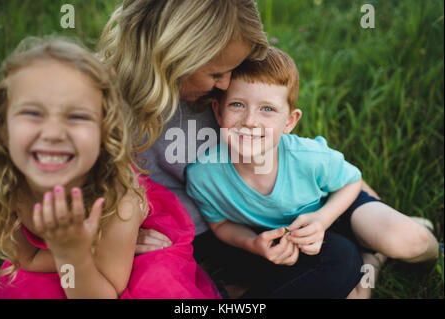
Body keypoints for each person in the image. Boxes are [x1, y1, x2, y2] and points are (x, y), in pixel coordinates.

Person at [99, 0, 366, 298]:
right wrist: (116, 234)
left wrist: (368, 202)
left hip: (240, 225)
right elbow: (89, 183)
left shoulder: (222, 97)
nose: (226, 84)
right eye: (216, 74)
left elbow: (301, 156)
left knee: (339, 257)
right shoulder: (104, 102)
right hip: (172, 237)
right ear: (175, 54)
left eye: (231, 71)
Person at [185, 46, 440, 298]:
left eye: (268, 109)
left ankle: (432, 255)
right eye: (238, 104)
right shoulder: (203, 176)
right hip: (299, 240)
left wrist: (322, 218)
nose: (250, 120)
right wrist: (252, 244)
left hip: (337, 209)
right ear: (218, 111)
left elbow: (351, 182)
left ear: (290, 121)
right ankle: (373, 257)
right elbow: (220, 224)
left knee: (409, 240)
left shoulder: (308, 157)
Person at [0, 37, 220, 299]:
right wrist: (72, 253)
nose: (53, 133)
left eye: (77, 116)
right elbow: (29, 258)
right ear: (3, 128)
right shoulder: (6, 182)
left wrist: (75, 256)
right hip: (63, 258)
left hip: (115, 273)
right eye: (32, 113)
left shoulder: (121, 199)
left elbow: (107, 292)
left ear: (104, 133)